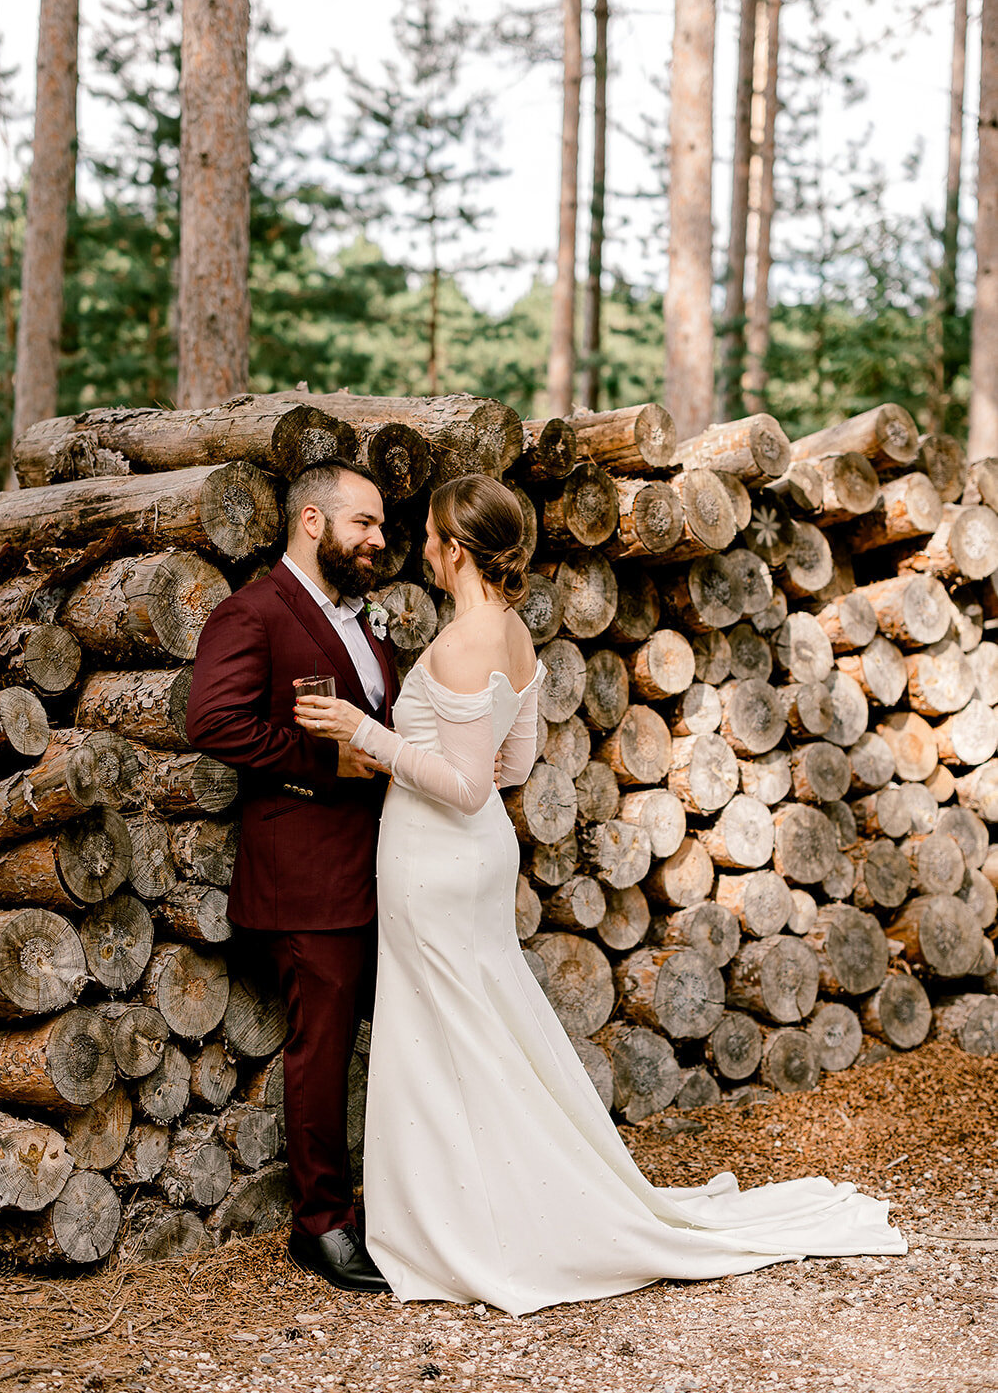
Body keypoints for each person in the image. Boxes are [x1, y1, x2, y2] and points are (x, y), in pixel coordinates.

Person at [295, 473, 907, 1318]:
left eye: (434, 534)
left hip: (437, 855)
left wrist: (363, 734)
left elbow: (471, 785)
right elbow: (511, 767)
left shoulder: (463, 641)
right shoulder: (509, 635)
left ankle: (464, 1220)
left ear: (457, 547)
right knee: (479, 1024)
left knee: (446, 1033)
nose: (424, 547)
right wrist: (408, 744)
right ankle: (489, 1198)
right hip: (468, 860)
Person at [186, 458, 397, 1293]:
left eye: (379, 525)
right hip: (307, 873)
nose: (379, 539)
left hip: (387, 863)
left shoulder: (365, 617)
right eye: (365, 524)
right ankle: (322, 1225)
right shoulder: (254, 611)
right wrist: (322, 765)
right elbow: (214, 721)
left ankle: (411, 1204)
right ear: (312, 521)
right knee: (323, 1050)